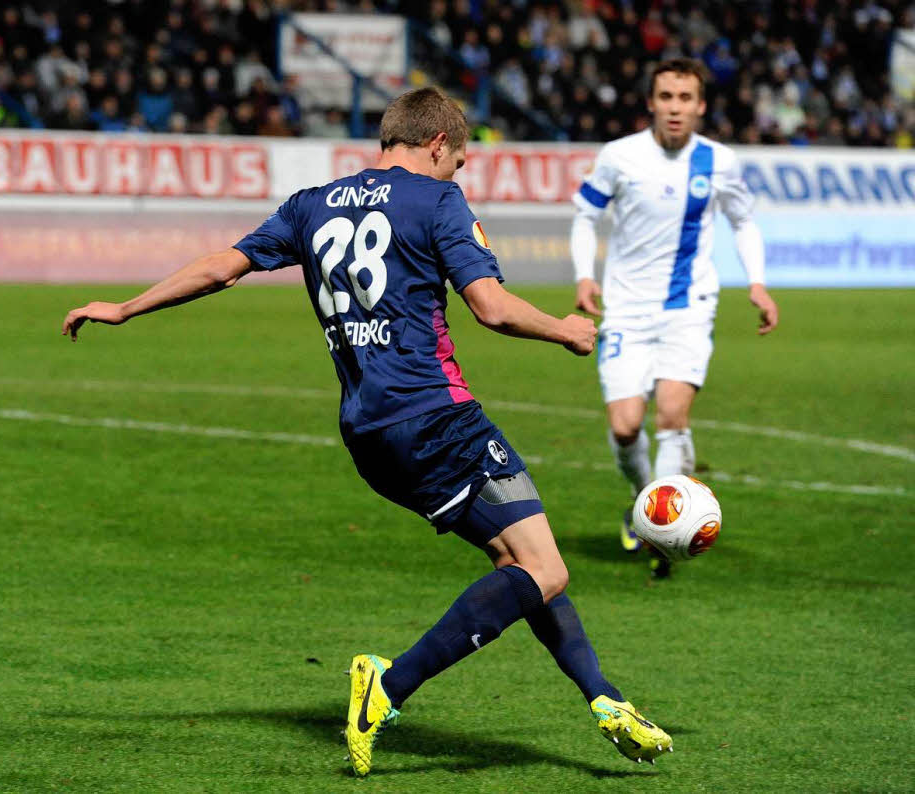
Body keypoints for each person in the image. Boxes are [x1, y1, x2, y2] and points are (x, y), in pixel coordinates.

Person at [62, 87, 672, 776]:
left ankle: (605, 699)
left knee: (527, 561)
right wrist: (564, 330)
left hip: (369, 435)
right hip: (437, 418)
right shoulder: (438, 202)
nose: (460, 174)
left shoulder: (310, 204)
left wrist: (125, 306)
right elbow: (491, 307)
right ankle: (390, 683)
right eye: (460, 161)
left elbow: (220, 268)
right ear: (438, 143)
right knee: (541, 567)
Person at [570, 58, 779, 577]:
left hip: (689, 307)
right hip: (626, 308)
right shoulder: (620, 156)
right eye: (666, 97)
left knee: (670, 415)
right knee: (624, 427)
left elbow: (744, 222)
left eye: (686, 98)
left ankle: (657, 535)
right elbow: (585, 216)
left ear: (701, 105)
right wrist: (583, 276)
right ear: (651, 101)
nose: (675, 108)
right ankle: (649, 506)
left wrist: (756, 281)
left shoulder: (719, 162)